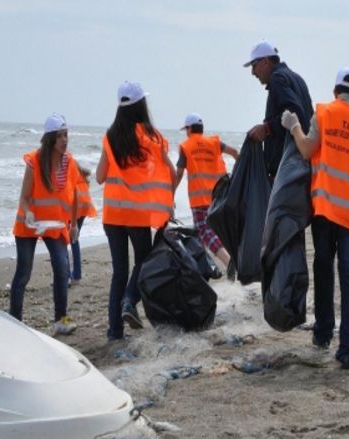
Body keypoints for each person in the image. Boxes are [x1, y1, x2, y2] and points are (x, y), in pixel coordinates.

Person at [282, 67, 349, 369]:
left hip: (325, 211)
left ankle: (322, 332)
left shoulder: (325, 114)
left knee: (323, 268)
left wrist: (293, 126)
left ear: (335, 92)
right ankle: (348, 350)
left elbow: (305, 150)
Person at [96, 81, 176, 340]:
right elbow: (171, 173)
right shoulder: (152, 137)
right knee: (144, 261)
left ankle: (114, 332)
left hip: (112, 215)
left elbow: (99, 177)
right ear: (141, 105)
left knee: (119, 272)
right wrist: (166, 200)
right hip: (138, 215)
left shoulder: (110, 136)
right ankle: (130, 301)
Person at [10, 113, 80, 335]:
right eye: (60, 136)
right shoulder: (34, 161)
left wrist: (75, 223)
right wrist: (29, 214)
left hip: (55, 225)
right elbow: (24, 197)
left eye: (66, 135)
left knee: (62, 268)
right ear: (50, 138)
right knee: (24, 272)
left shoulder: (69, 162)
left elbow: (75, 194)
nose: (64, 139)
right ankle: (15, 321)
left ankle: (61, 319)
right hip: (28, 224)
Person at [244, 40, 314, 182]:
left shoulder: (277, 79)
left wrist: (266, 128)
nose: (253, 72)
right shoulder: (296, 78)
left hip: (287, 170)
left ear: (265, 61)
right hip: (302, 167)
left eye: (254, 66)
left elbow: (295, 113)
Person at [177, 112, 239, 267]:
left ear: (189, 129)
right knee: (203, 232)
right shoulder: (214, 142)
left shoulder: (186, 146)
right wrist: (239, 176)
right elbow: (235, 153)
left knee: (204, 231)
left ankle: (228, 261)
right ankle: (203, 269)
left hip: (199, 199)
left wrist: (169, 193)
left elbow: (178, 174)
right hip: (219, 195)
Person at [68, 163, 97, 286]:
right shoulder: (81, 174)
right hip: (85, 206)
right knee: (74, 239)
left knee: (65, 239)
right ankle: (77, 275)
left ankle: (67, 276)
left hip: (75, 207)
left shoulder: (67, 171)